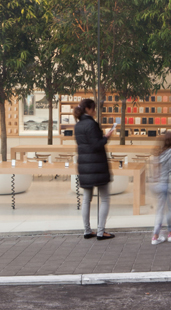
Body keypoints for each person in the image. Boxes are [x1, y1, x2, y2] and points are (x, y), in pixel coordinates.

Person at [74, 98, 115, 241]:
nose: (95, 111)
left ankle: (87, 230)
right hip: (97, 165)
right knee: (105, 198)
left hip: (84, 166)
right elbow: (96, 145)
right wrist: (106, 137)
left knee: (86, 199)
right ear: (88, 109)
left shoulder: (78, 125)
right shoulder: (91, 124)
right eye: (94, 109)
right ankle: (101, 231)